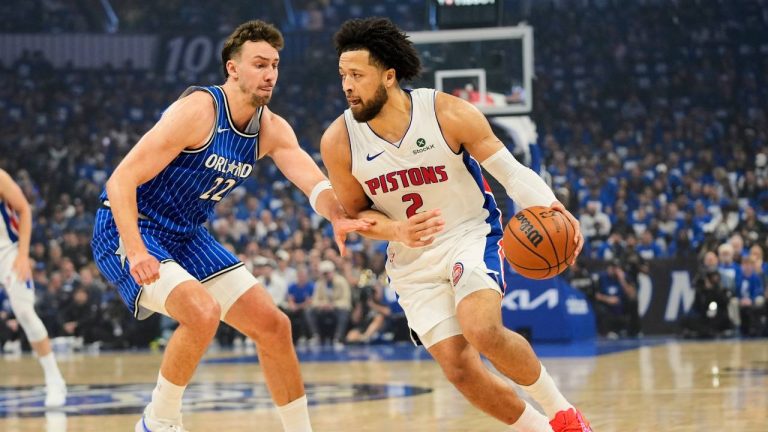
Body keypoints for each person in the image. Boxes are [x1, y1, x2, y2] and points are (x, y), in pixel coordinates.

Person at [91, 20, 370, 432]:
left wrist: (338, 215)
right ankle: (158, 422)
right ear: (232, 69)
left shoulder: (270, 129)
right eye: (259, 63)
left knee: (275, 327)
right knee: (201, 313)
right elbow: (120, 180)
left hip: (186, 235)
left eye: (274, 64)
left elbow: (313, 181)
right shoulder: (200, 110)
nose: (270, 73)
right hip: (130, 226)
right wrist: (136, 250)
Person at [321, 18, 591, 432]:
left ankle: (563, 414)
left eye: (357, 75)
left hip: (469, 233)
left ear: (389, 76)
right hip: (411, 260)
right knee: (461, 371)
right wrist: (397, 232)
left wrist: (555, 208)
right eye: (343, 76)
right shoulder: (339, 140)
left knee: (481, 328)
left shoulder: (445, 112)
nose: (347, 85)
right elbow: (356, 216)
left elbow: (512, 174)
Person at [0, 169, 67, 407]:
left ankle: (54, 379)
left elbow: (24, 210)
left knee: (25, 313)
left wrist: (22, 254)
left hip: (8, 252)